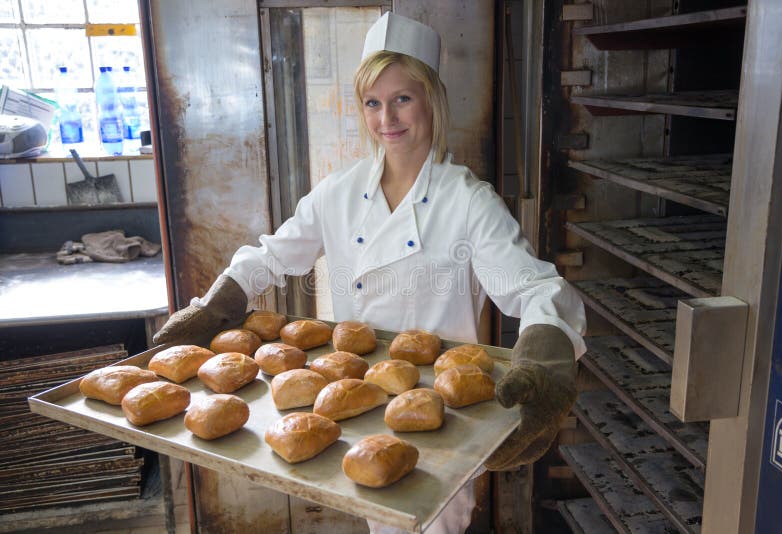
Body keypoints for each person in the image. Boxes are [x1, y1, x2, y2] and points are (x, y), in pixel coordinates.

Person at [154, 11, 586, 533]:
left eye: (403, 98)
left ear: (431, 99)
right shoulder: (340, 191)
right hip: (357, 401)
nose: (388, 118)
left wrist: (545, 360)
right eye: (373, 102)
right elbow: (273, 256)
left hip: (441, 417)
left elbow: (534, 286)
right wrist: (220, 304)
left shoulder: (466, 200)